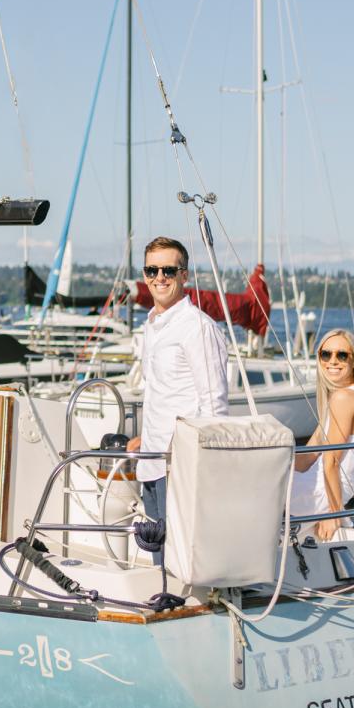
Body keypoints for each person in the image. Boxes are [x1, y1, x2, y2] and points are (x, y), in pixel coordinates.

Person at [126, 235, 229, 554]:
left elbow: (214, 404)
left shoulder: (196, 326)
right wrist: (145, 436)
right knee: (160, 557)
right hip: (152, 461)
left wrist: (196, 458)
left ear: (184, 275)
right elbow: (160, 394)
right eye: (152, 270)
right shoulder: (152, 326)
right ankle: (166, 601)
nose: (160, 278)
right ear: (144, 276)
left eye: (169, 271)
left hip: (182, 466)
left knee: (185, 555)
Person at [291, 328, 354, 541]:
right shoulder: (343, 397)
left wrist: (334, 513)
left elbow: (331, 462)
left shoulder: (345, 398)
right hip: (317, 487)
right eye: (326, 354)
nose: (333, 361)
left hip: (320, 493)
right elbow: (307, 457)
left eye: (342, 355)